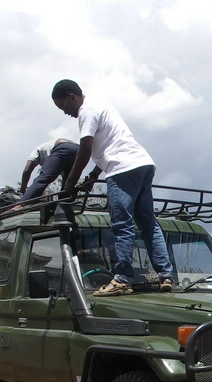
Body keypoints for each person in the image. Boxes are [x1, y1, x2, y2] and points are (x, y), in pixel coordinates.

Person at [51, 79, 174, 296]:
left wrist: (68, 185)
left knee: (122, 224)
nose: (66, 113)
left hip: (122, 169)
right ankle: (166, 275)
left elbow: (85, 150)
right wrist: (93, 175)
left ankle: (122, 279)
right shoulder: (101, 104)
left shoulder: (86, 111)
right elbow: (109, 144)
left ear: (72, 97)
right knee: (148, 223)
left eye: (63, 107)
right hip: (142, 164)